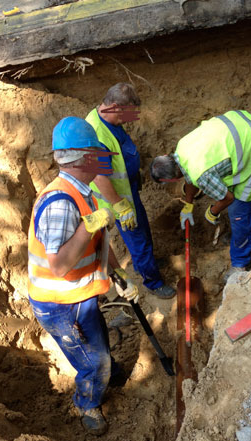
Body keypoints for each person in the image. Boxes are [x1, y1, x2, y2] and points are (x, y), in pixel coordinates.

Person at [28, 116, 139, 436]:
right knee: (92, 362)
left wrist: (117, 271)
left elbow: (97, 240)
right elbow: (59, 265)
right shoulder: (61, 203)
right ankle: (87, 401)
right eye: (97, 151)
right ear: (84, 156)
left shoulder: (81, 191)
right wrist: (88, 225)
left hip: (80, 296)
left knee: (97, 342)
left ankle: (106, 368)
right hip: (60, 304)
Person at [149, 110, 251, 282]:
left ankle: (240, 263)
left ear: (174, 178)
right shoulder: (182, 148)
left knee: (239, 209)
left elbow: (227, 198)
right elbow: (189, 174)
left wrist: (212, 212)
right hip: (241, 120)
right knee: (227, 188)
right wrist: (188, 204)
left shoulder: (201, 175)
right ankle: (239, 237)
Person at [85, 82, 176, 299]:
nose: (128, 120)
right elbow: (99, 176)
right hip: (115, 201)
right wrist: (119, 205)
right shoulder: (96, 133)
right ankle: (153, 282)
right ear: (115, 106)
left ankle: (146, 264)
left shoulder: (108, 118)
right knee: (138, 240)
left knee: (143, 231)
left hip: (128, 191)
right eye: (126, 114)